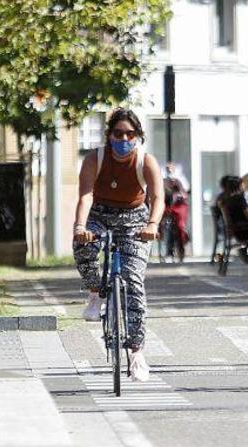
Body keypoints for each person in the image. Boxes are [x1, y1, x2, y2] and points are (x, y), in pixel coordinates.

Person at [73, 107, 163, 382]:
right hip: (99, 213)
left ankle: (136, 351)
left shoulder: (145, 161)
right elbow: (86, 196)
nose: (123, 139)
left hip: (134, 219)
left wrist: (152, 225)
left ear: (138, 136)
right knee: (83, 247)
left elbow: (157, 198)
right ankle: (95, 291)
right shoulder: (94, 159)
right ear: (109, 135)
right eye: (118, 133)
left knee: (133, 281)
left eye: (129, 134)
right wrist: (80, 227)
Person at [163, 162, 190, 258]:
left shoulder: (180, 179)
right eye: (168, 169)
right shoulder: (164, 180)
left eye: (171, 169)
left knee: (180, 225)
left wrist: (179, 187)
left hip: (179, 205)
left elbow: (185, 190)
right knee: (160, 220)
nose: (169, 171)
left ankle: (182, 244)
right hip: (168, 205)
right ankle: (165, 244)